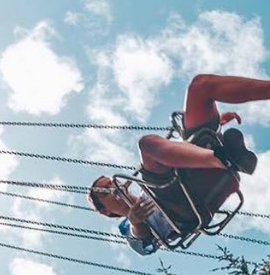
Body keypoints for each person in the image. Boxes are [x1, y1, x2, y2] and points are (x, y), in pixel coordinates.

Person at [89, 74, 270, 255]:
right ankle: (222, 157)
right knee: (147, 146)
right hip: (182, 205)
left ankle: (223, 154)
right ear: (105, 211)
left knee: (200, 86)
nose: (113, 186)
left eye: (111, 182)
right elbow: (144, 247)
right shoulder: (127, 225)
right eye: (106, 190)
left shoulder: (147, 189)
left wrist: (211, 127)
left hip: (200, 173)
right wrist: (136, 222)